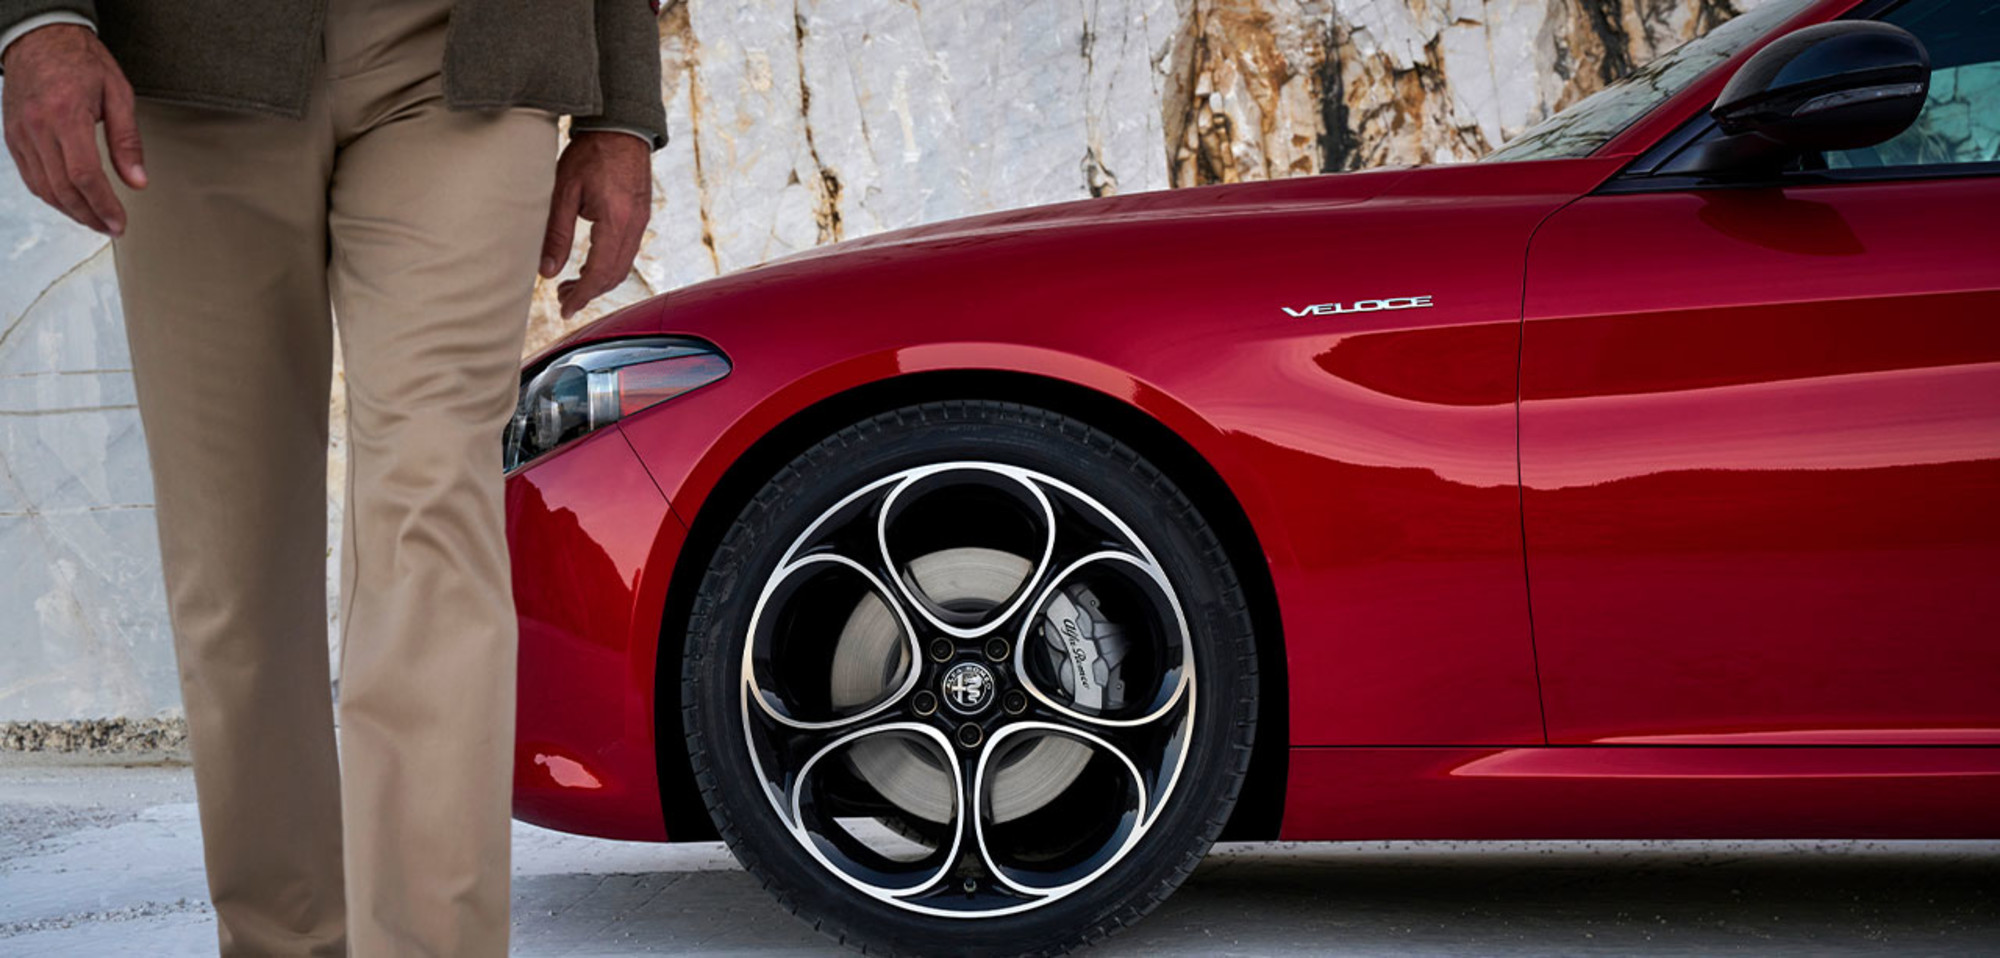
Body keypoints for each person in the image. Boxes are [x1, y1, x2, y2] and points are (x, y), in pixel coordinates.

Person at [0, 1, 667, 954]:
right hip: (189, 66)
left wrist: (623, 108)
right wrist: (36, 22)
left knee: (435, 521)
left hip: (475, 55)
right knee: (232, 556)